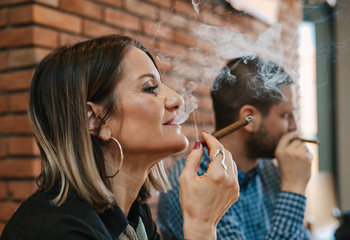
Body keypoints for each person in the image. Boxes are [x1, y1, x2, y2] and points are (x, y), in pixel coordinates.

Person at [0, 35, 240, 240]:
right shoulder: (56, 231)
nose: (177, 99)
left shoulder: (134, 217)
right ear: (95, 120)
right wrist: (201, 226)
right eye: (149, 88)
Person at [157, 56, 313, 240]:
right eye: (286, 115)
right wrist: (293, 190)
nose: (293, 127)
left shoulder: (272, 173)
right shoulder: (194, 183)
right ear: (250, 118)